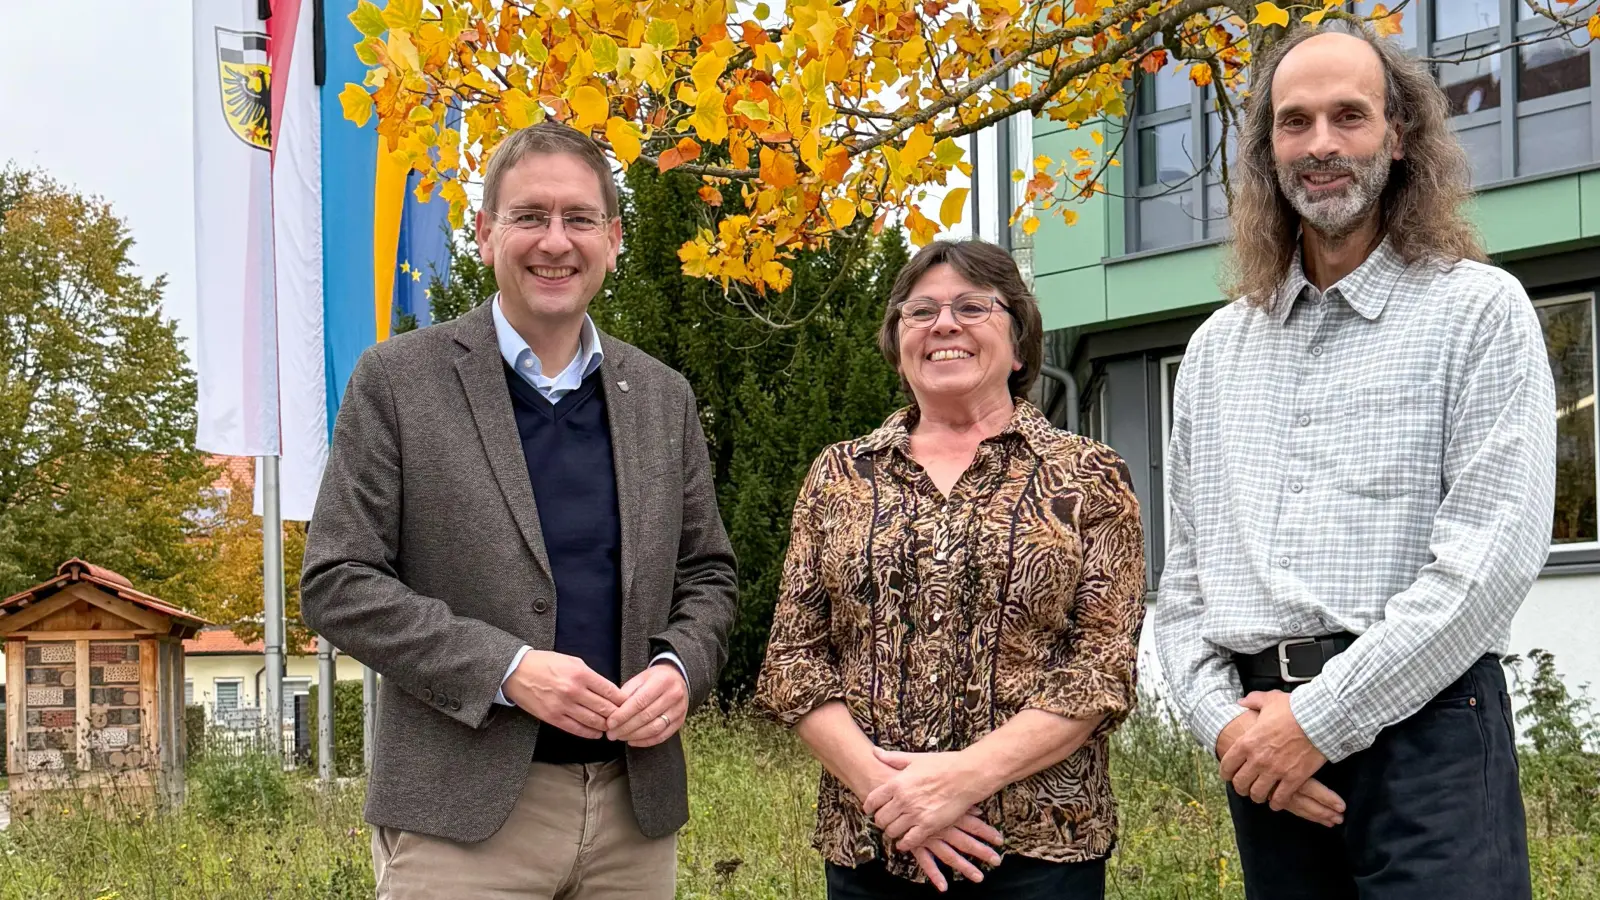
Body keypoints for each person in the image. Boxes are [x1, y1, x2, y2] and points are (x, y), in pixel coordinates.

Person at [1153, 18, 1556, 900]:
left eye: (1350, 116)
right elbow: (1183, 590)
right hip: (1266, 753)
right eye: (1294, 122)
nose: (1321, 145)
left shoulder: (1479, 312)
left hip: (1431, 728)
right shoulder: (1217, 351)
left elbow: (1487, 567)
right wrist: (1233, 730)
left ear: (1400, 135)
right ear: (1267, 149)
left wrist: (1323, 719)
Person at [300, 122, 738, 899]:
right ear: (484, 233)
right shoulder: (398, 379)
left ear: (613, 239)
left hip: (633, 818)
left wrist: (680, 667)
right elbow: (339, 580)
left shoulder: (661, 396)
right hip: (461, 820)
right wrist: (508, 670)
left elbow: (708, 575)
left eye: (577, 219)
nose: (554, 242)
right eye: (529, 216)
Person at [754, 238, 1146, 899]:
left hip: (1039, 849)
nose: (944, 324)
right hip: (873, 842)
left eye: (972, 306)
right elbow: (792, 662)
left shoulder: (1089, 474)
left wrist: (961, 781)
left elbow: (1101, 669)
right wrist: (897, 797)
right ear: (896, 341)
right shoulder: (839, 475)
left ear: (1019, 343)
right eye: (920, 310)